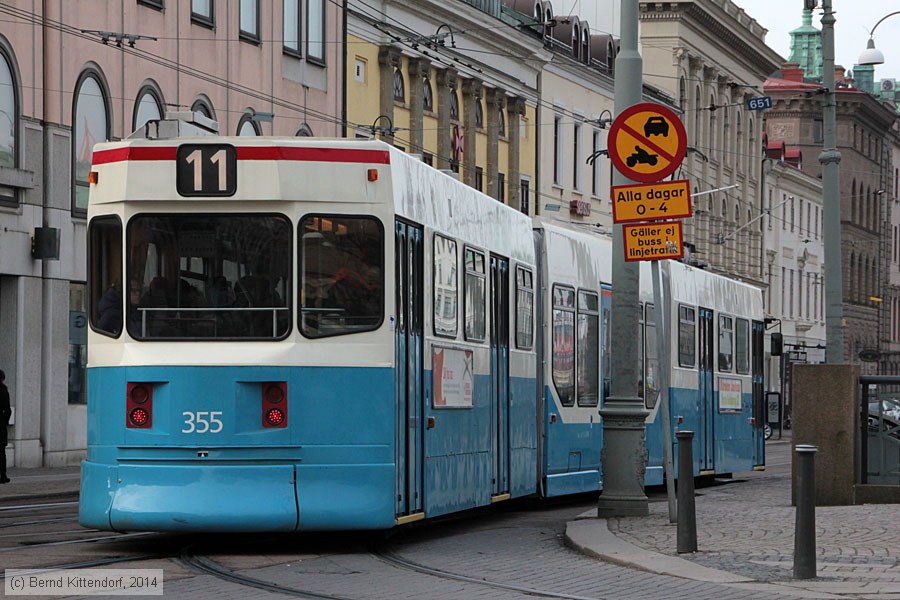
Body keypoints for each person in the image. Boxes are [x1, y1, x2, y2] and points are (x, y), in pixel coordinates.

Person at [0, 369, 10, 484]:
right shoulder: (3, 390)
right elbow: (7, 410)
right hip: (0, 424)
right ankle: (3, 475)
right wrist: (5, 421)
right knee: (1, 453)